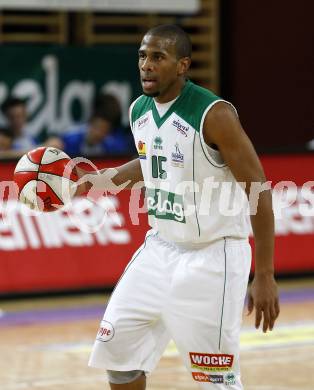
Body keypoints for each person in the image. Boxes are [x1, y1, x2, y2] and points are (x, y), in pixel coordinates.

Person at [75, 24, 279, 389]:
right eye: (142, 56)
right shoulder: (139, 109)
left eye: (158, 57)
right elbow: (153, 161)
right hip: (159, 249)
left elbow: (258, 190)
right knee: (120, 359)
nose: (146, 65)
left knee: (215, 381)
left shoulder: (213, 114)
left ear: (182, 65)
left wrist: (264, 273)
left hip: (214, 257)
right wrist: (100, 180)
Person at [60, 94, 133, 157]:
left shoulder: (112, 146)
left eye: (103, 130)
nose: (98, 133)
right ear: (90, 123)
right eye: (97, 127)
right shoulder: (70, 139)